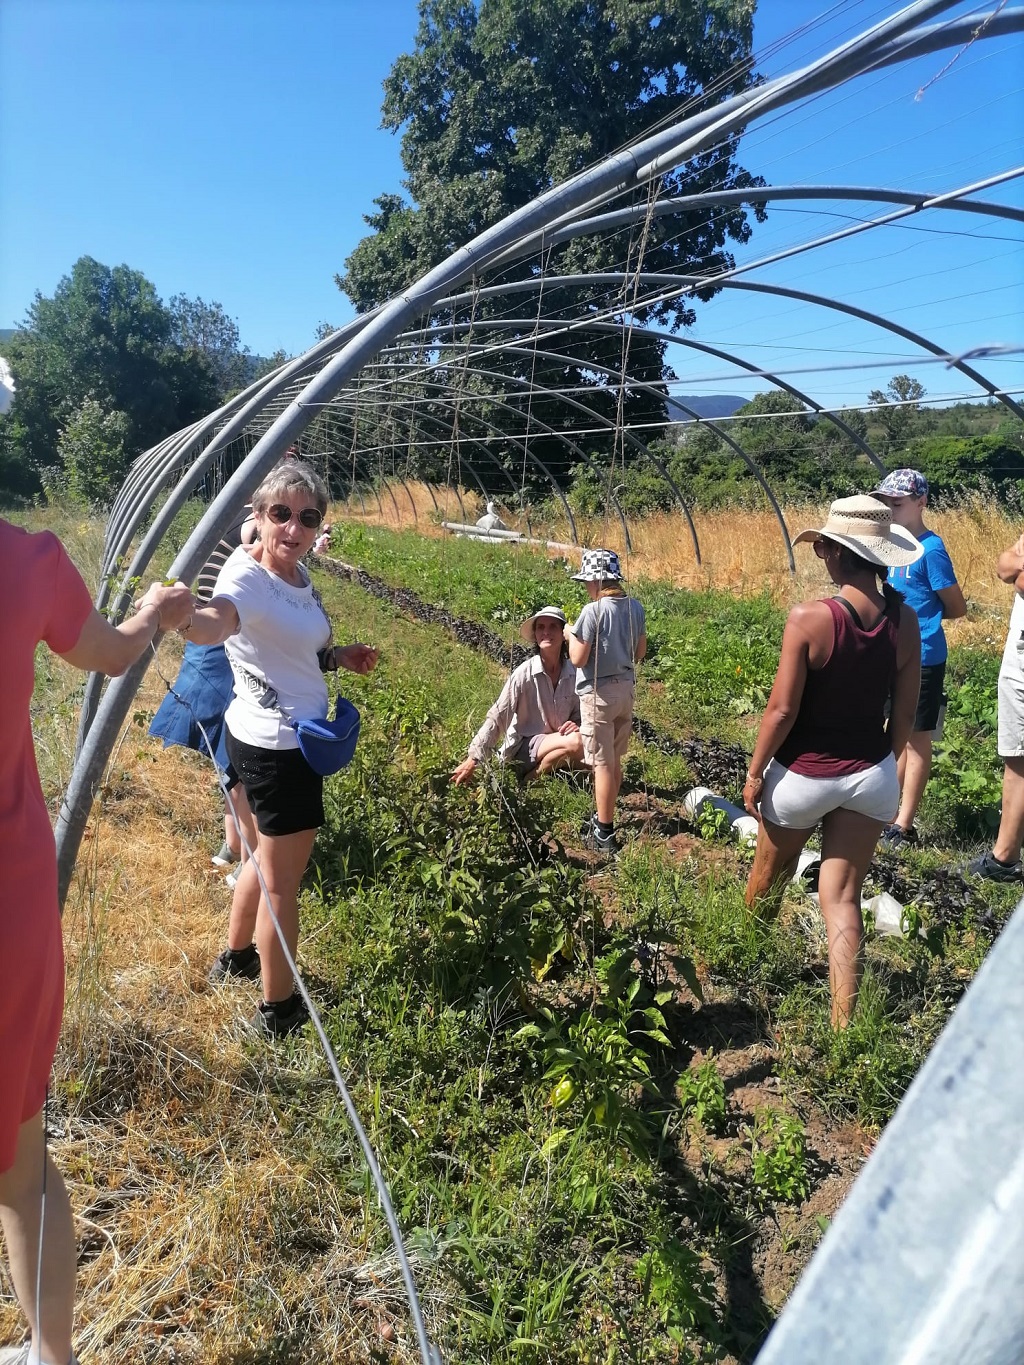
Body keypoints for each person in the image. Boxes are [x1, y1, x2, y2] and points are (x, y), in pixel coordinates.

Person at [1, 515, 192, 1365]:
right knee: (22, 1164)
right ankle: (52, 1354)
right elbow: (112, 653)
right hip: (9, 906)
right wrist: (155, 611)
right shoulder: (27, 560)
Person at [177, 459, 378, 1039]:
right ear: (258, 515)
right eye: (281, 513)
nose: (294, 528)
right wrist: (185, 618)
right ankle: (278, 1010)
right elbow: (218, 621)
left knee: (263, 861)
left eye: (308, 518)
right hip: (279, 751)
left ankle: (236, 957)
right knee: (282, 886)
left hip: (267, 738)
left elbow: (288, 650)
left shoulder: (294, 575)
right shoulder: (248, 579)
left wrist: (335, 658)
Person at [742, 496, 922, 1029]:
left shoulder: (810, 618)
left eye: (823, 547)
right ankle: (844, 1026)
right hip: (872, 775)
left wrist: (754, 773)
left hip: (804, 774)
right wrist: (882, 764)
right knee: (843, 898)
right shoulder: (906, 621)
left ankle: (745, 960)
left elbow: (781, 711)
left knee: (768, 876)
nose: (821, 555)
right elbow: (905, 713)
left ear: (839, 553)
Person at [149, 505, 259, 880]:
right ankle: (245, 852)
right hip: (225, 639)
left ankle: (238, 846)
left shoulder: (241, 510)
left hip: (219, 637)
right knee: (236, 753)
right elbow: (258, 572)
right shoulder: (254, 520)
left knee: (233, 751)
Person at [870, 470, 966, 849]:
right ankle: (886, 811)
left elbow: (956, 606)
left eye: (897, 503)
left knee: (917, 739)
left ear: (921, 502)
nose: (890, 509)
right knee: (894, 732)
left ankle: (904, 824)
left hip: (924, 657)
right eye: (887, 503)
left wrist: (924, 622)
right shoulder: (889, 543)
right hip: (891, 652)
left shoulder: (931, 550)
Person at [567, 549, 646, 855]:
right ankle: (604, 815)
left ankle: (604, 831)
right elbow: (639, 653)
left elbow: (578, 658)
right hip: (625, 690)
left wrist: (570, 635)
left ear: (596, 581)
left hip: (598, 694)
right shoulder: (635, 607)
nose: (586, 587)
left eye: (587, 582)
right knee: (614, 759)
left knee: (601, 764)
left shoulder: (592, 611)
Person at [451, 606, 584, 786]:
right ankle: (530, 779)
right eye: (541, 627)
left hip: (557, 741)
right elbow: (498, 716)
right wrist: (474, 758)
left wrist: (576, 724)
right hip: (524, 748)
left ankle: (550, 770)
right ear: (535, 635)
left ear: (563, 634)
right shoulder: (524, 674)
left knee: (595, 754)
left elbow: (580, 714)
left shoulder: (573, 673)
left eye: (553, 626)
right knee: (577, 742)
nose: (546, 632)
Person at [963, 531, 1024, 882]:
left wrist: (1018, 568)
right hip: (1019, 648)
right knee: (1017, 754)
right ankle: (1004, 858)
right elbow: (1004, 567)